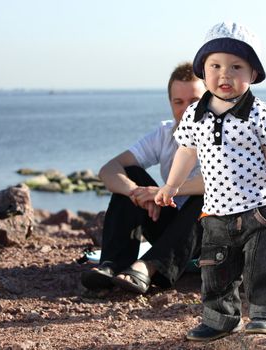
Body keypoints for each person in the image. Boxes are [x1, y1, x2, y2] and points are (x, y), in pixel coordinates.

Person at [155, 22, 266, 341]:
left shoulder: (259, 112)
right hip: (217, 211)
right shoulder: (195, 114)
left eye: (236, 67)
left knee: (265, 264)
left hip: (260, 209)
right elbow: (186, 152)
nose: (225, 74)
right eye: (215, 66)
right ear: (203, 72)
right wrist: (171, 185)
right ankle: (220, 318)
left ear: (253, 74)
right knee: (216, 270)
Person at [80, 62, 206, 295]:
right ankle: (112, 265)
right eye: (179, 102)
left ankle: (149, 267)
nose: (186, 109)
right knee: (131, 174)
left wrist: (164, 192)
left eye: (194, 102)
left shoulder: (224, 134)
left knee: (208, 199)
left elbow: (223, 182)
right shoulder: (165, 134)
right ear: (170, 103)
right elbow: (109, 169)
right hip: (173, 233)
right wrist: (136, 193)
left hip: (211, 237)